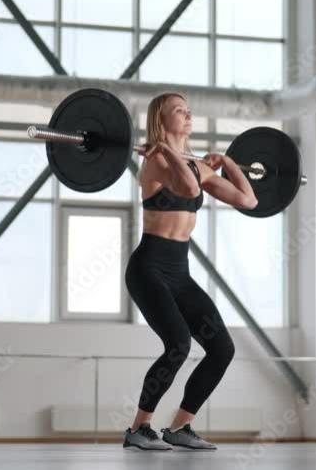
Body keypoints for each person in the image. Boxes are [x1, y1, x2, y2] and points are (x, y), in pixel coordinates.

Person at [122, 93, 258, 451]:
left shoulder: (195, 164)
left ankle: (180, 427)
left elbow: (249, 200)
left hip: (179, 273)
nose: (188, 114)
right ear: (161, 120)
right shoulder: (155, 162)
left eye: (189, 110)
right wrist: (168, 151)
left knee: (221, 349)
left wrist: (227, 161)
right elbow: (189, 188)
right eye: (179, 110)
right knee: (179, 345)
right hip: (148, 268)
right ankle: (138, 428)